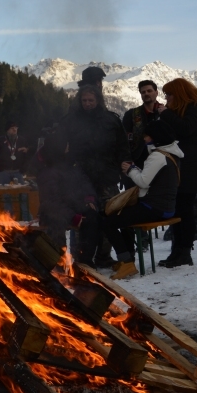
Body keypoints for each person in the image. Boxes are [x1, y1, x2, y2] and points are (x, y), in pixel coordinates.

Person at [58, 85, 131, 266]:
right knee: (84, 218)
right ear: (79, 101)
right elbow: (60, 147)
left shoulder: (111, 120)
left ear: (98, 100)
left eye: (91, 100)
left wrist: (124, 165)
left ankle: (103, 256)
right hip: (80, 178)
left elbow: (122, 147)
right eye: (84, 101)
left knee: (108, 217)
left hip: (107, 176)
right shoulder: (71, 121)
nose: (88, 104)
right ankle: (81, 258)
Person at [102, 120, 183, 279]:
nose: (145, 139)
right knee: (124, 221)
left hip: (154, 207)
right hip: (166, 206)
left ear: (155, 137)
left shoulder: (157, 156)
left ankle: (127, 263)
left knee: (108, 222)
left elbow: (143, 182)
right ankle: (128, 259)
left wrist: (130, 170)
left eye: (147, 136)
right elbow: (152, 178)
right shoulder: (172, 154)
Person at [157, 78, 197, 268]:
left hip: (190, 166)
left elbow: (185, 129)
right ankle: (176, 250)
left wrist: (166, 114)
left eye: (169, 94)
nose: (167, 98)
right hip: (178, 165)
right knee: (178, 209)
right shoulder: (181, 111)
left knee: (185, 210)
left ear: (178, 94)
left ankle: (184, 251)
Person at [34, 134, 98, 256]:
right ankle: (58, 263)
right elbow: (51, 203)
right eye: (66, 145)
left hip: (72, 206)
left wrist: (89, 198)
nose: (68, 147)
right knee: (56, 225)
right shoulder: (47, 171)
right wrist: (73, 217)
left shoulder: (69, 164)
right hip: (54, 213)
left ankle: (85, 260)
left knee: (93, 217)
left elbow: (83, 181)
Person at [0, 119, 31, 219]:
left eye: (16, 128)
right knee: (7, 197)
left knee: (23, 195)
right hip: (4, 172)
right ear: (7, 130)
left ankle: (26, 219)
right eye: (12, 128)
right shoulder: (0, 141)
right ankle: (9, 220)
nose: (14, 130)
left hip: (18, 172)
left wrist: (24, 169)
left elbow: (27, 156)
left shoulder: (22, 140)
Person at [123, 80, 163, 167]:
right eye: (143, 92)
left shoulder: (165, 113)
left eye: (149, 91)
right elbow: (124, 140)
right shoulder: (132, 114)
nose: (146, 94)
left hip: (162, 160)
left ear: (156, 93)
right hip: (138, 161)